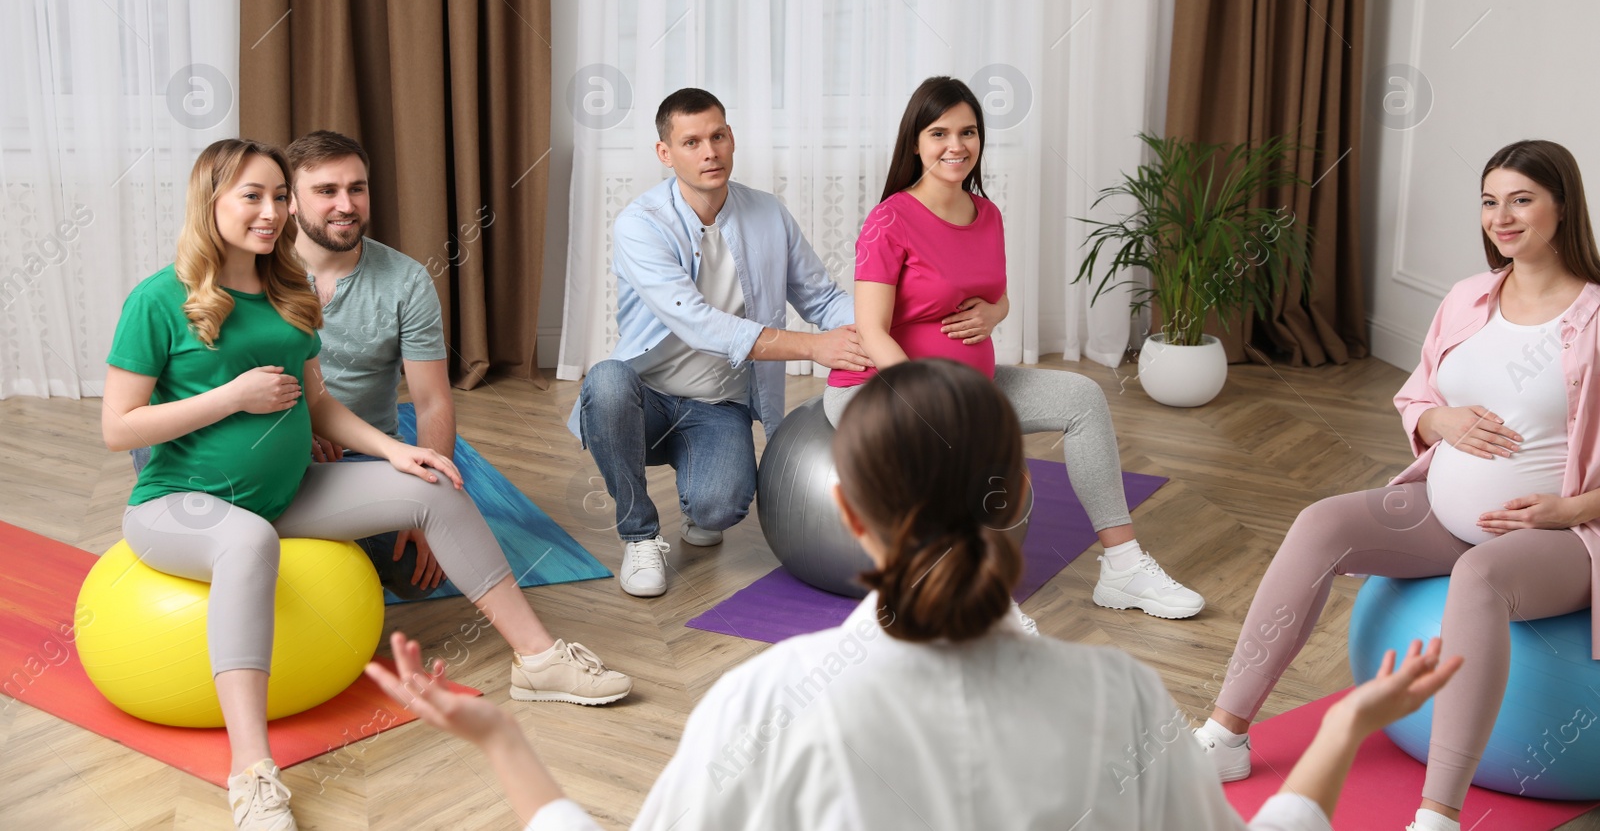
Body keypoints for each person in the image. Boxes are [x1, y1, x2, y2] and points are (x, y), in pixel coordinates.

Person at [370, 359, 1462, 831]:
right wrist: (1351, 720)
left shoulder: (772, 698)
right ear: (1027, 503)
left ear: (846, 513)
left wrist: (506, 745)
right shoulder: (1119, 698)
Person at [102, 140, 631, 831]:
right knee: (247, 540)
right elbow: (118, 428)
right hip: (179, 505)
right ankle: (253, 772)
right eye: (252, 196)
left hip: (288, 490)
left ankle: (538, 661)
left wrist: (396, 451)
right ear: (211, 203)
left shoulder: (286, 288)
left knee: (437, 486)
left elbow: (319, 405)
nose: (272, 212)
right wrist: (232, 395)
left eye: (277, 197)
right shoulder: (158, 297)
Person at [1193, 139, 1600, 831]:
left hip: (1558, 534)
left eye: (1522, 199)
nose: (1501, 217)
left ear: (1563, 206)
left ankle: (1438, 815)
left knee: (1479, 578)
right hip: (1442, 512)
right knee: (1322, 521)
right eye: (1490, 201)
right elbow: (1418, 397)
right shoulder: (1469, 297)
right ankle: (1225, 735)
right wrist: (1440, 416)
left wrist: (1570, 507)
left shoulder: (1593, 318)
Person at [822, 75, 1203, 619]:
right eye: (939, 133)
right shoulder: (890, 220)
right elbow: (873, 329)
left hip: (972, 386)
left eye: (968, 132)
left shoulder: (987, 214)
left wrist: (993, 313)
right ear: (915, 143)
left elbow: (997, 300)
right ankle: (986, 605)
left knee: (1083, 398)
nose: (957, 146)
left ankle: (1122, 568)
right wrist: (931, 400)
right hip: (884, 388)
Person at [568, 87, 872, 597]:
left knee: (720, 508)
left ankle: (699, 497)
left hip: (718, 405)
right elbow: (697, 322)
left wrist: (886, 330)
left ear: (731, 139)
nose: (709, 152)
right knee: (607, 382)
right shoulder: (640, 225)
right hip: (644, 400)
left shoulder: (768, 214)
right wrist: (815, 347)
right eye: (691, 142)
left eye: (718, 136)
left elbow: (822, 299)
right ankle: (639, 534)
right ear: (665, 154)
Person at [287, 129, 455, 599]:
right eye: (326, 191)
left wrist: (430, 505)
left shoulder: (406, 279)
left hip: (364, 455)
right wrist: (300, 433)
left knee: (412, 576)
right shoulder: (256, 269)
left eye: (356, 188)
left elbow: (432, 402)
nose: (346, 204)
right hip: (275, 446)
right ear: (291, 202)